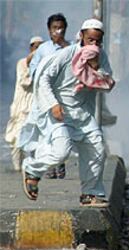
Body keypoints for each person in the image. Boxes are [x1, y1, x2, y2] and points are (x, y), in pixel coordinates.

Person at [20, 19, 114, 206]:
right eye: (90, 40)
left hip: (83, 114)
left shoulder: (100, 56)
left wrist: (95, 68)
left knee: (96, 148)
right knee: (61, 151)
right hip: (60, 112)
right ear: (81, 36)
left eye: (97, 41)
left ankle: (90, 193)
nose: (93, 45)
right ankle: (32, 169)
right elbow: (44, 78)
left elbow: (107, 83)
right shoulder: (66, 54)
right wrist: (53, 104)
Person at [29, 13, 70, 179]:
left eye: (60, 28)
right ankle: (50, 165)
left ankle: (59, 163)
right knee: (45, 132)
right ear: (49, 30)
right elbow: (34, 70)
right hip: (45, 97)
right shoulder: (43, 50)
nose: (57, 31)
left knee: (61, 131)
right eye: (54, 28)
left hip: (63, 97)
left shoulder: (70, 48)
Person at [5, 36, 44, 171]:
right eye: (36, 47)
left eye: (41, 47)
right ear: (31, 48)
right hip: (22, 107)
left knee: (37, 138)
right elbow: (25, 81)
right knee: (17, 137)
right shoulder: (22, 63)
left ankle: (32, 167)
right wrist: (31, 61)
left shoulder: (44, 64)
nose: (38, 50)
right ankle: (17, 166)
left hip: (37, 106)